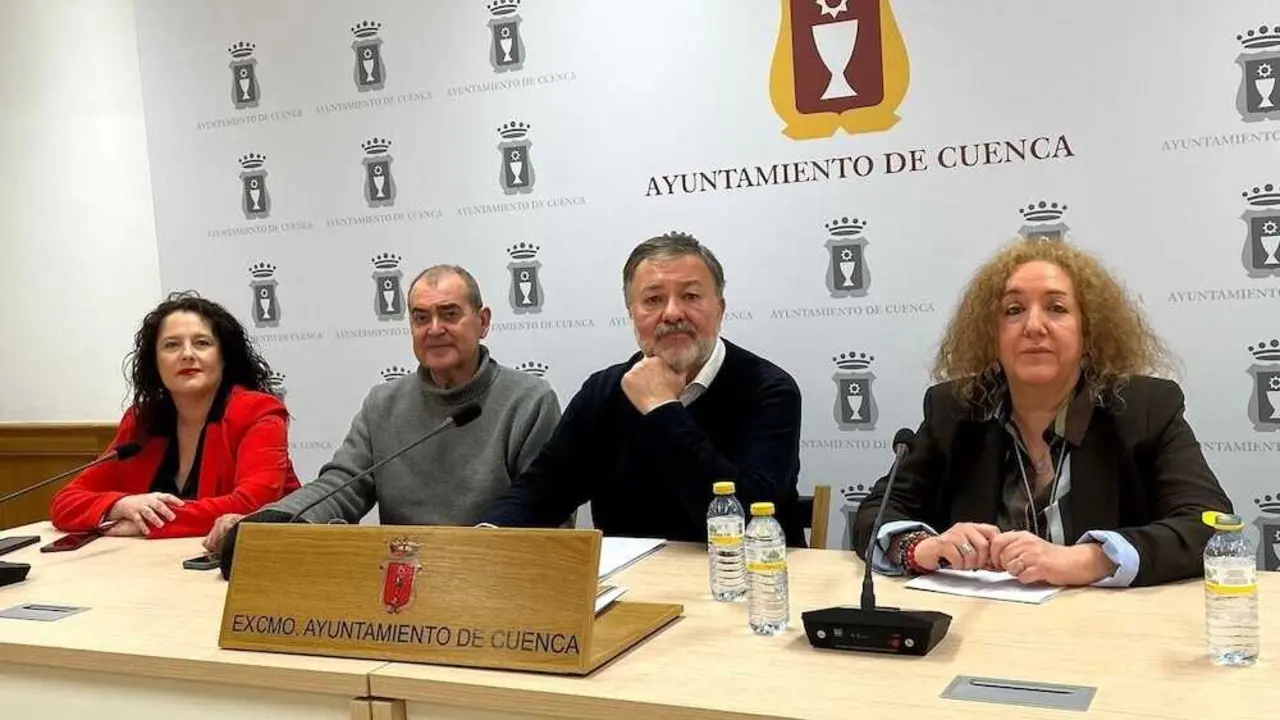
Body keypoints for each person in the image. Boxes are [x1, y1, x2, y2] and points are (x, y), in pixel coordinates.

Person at [850, 237, 1233, 588]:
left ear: (1089, 332)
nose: (1033, 326)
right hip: (979, 621)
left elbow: (1209, 523)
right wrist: (921, 547)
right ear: (991, 334)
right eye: (1014, 310)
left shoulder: (1144, 408)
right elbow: (876, 513)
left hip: (1106, 626)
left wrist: (1092, 559)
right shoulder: (955, 409)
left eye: (1057, 308)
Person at [206, 265, 562, 562]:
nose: (434, 329)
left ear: (483, 322)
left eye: (449, 314)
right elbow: (341, 485)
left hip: (492, 576)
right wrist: (268, 522)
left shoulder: (529, 400)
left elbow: (544, 513)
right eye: (421, 318)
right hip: (402, 577)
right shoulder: (384, 403)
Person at [478, 232, 807, 545]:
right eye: (653, 300)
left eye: (691, 296)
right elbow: (542, 490)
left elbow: (746, 517)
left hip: (745, 575)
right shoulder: (603, 392)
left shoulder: (770, 390)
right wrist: (484, 538)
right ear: (632, 314)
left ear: (720, 309)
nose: (672, 313)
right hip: (631, 580)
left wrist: (662, 408)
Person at [49, 292, 301, 539]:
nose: (187, 354)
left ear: (224, 357)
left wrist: (146, 523)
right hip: (158, 561)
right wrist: (120, 505)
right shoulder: (143, 421)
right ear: (155, 362)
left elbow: (253, 505)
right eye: (172, 345)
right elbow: (65, 503)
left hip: (261, 557)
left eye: (202, 343)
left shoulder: (257, 412)